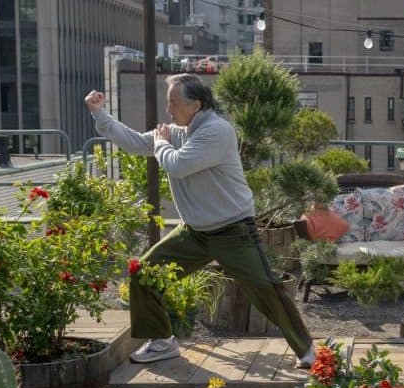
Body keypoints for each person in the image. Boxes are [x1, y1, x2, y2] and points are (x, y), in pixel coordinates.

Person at [85, 74, 317, 367]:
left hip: (233, 231)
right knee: (143, 274)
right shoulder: (175, 132)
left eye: (173, 103)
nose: (169, 111)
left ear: (195, 104)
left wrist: (160, 143)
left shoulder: (217, 131)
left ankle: (307, 350)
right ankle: (161, 341)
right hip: (195, 233)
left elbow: (178, 165)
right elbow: (134, 143)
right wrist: (99, 114)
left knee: (264, 288)